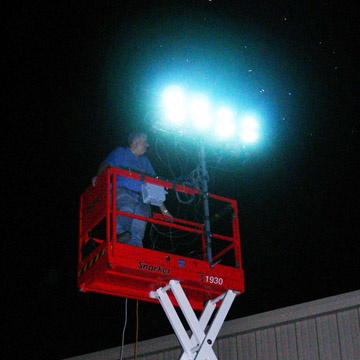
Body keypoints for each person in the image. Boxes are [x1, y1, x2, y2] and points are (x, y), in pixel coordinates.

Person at [92, 131, 172, 247]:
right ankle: (119, 234)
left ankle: (135, 247)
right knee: (126, 204)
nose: (147, 145)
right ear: (135, 142)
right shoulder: (121, 152)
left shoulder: (145, 161)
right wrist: (98, 178)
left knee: (140, 218)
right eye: (145, 142)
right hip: (121, 190)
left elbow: (154, 184)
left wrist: (164, 210)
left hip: (141, 197)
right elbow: (106, 165)